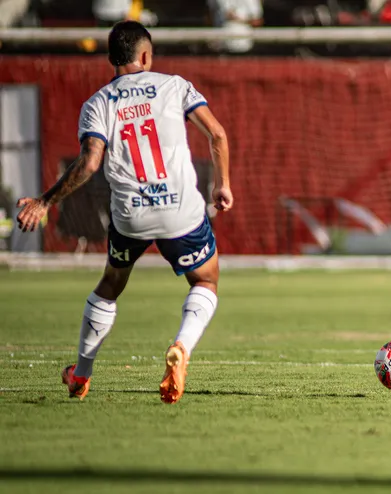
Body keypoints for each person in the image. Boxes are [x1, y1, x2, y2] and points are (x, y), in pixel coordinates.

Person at [15, 21, 233, 404]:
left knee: (111, 284)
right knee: (206, 282)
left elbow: (89, 163)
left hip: (130, 214)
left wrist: (45, 201)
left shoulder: (97, 103)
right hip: (180, 209)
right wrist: (221, 184)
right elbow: (217, 135)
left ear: (111, 59)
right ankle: (181, 347)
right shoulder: (175, 85)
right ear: (146, 55)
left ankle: (81, 375)